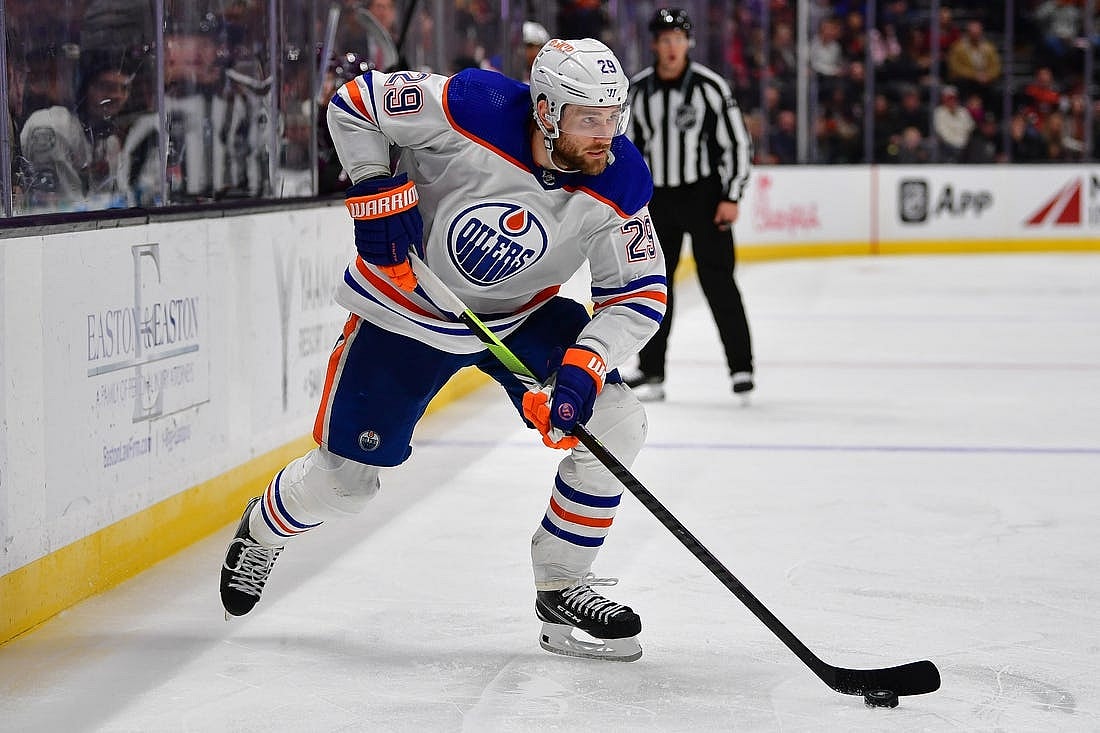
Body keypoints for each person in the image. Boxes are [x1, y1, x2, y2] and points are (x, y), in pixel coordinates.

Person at [219, 38, 667, 663]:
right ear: (544, 110)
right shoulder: (472, 105)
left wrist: (582, 368)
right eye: (588, 118)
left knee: (616, 420)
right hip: (409, 308)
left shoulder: (620, 180)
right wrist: (376, 190)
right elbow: (354, 104)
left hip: (520, 318)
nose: (606, 134)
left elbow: (639, 293)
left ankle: (563, 582)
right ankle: (266, 524)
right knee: (345, 487)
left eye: (613, 115)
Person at [625, 7, 753, 402]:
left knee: (718, 281)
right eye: (664, 40)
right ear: (655, 45)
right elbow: (627, 149)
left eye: (678, 39)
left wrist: (731, 195)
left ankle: (741, 367)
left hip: (705, 196)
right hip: (659, 200)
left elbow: (737, 144)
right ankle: (652, 371)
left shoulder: (710, 87)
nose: (671, 47)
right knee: (656, 285)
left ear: (687, 43)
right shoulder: (639, 90)